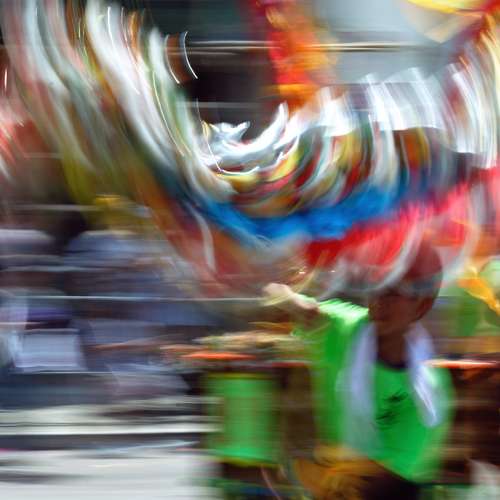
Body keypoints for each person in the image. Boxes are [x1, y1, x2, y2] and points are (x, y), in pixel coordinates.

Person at [263, 243, 454, 499]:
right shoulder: (343, 327)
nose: (379, 301)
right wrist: (283, 289)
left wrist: (306, 470)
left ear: (422, 305)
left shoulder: (428, 394)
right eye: (375, 288)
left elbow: (387, 479)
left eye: (393, 292)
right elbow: (291, 303)